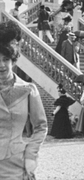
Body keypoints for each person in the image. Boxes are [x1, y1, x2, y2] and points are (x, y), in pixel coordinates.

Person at [0, 20, 48, 179]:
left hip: (18, 165)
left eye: (5, 59)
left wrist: (31, 154)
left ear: (13, 59)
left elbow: (41, 126)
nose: (1, 65)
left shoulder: (28, 89)